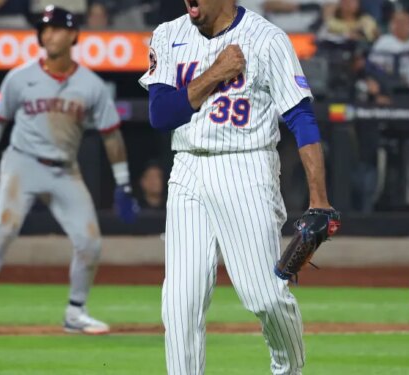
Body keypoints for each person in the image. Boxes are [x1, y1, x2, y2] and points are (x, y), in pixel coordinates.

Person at [139, 0, 340, 373]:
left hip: (246, 166)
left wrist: (319, 198)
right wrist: (216, 73)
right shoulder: (169, 34)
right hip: (186, 168)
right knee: (179, 305)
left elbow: (301, 117)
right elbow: (161, 114)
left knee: (264, 296)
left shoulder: (266, 38)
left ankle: (288, 369)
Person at [0, 5, 139, 335]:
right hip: (22, 162)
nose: (48, 34)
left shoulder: (92, 85)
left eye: (55, 28)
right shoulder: (20, 76)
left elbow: (111, 135)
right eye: (44, 29)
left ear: (73, 35)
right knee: (5, 226)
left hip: (65, 170)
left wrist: (124, 182)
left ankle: (75, 311)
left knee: (90, 242)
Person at [370, 9, 409, 88]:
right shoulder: (384, 41)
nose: (403, 26)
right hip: (390, 84)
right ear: (392, 24)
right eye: (399, 22)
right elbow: (374, 65)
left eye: (406, 23)